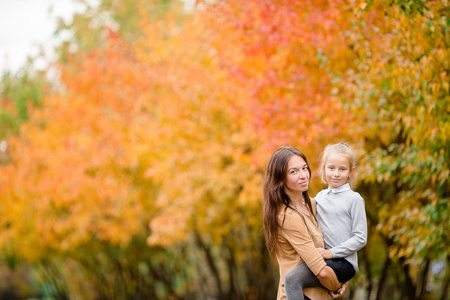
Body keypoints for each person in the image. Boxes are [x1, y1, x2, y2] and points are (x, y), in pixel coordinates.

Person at [284, 143, 367, 299]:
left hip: (344, 263)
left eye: (342, 169)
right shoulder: (320, 198)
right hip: (326, 260)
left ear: (351, 171)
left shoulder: (354, 199)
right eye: (331, 168)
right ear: (323, 169)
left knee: (292, 279)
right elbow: (301, 206)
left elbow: (360, 238)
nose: (336, 174)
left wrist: (331, 253)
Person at [263, 146, 345, 300]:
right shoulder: (287, 216)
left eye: (304, 168)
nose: (303, 175)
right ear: (280, 179)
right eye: (294, 171)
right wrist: (338, 285)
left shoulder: (312, 205)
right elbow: (320, 271)